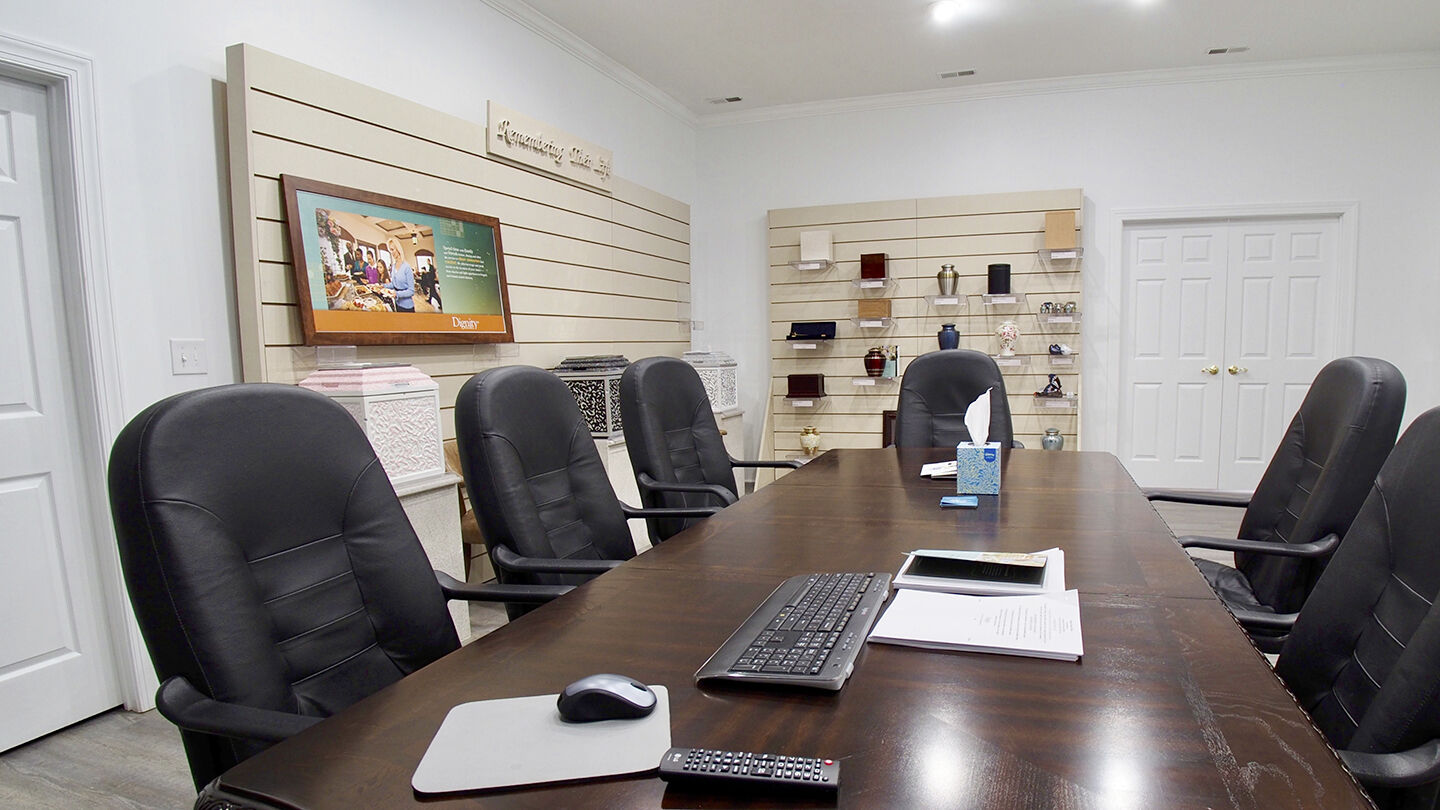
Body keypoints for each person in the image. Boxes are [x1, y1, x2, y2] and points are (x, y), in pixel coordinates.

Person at [383, 238, 416, 312]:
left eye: (392, 249)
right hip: (397, 303)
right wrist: (383, 286)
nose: (391, 252)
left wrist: (397, 294)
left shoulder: (406, 267)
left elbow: (411, 291)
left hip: (407, 307)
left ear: (398, 249)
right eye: (390, 250)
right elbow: (394, 284)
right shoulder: (393, 266)